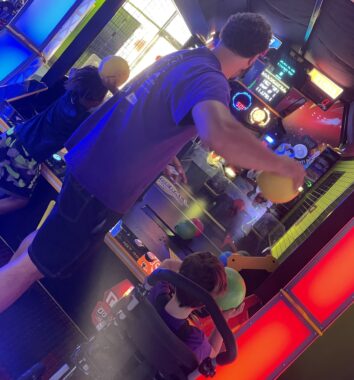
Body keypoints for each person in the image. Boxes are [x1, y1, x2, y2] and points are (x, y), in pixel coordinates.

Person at [0, 12, 305, 313]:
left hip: (88, 165)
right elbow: (219, 134)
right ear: (257, 57)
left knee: (39, 251)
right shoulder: (211, 80)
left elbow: (146, 112)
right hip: (102, 186)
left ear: (224, 31)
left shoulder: (185, 57)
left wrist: (165, 152)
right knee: (33, 266)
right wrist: (281, 164)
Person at [0, 65, 110, 215]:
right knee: (20, 200)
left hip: (13, 135)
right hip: (27, 157)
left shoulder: (69, 94)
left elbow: (73, 72)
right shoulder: (80, 119)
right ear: (97, 101)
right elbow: (74, 146)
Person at [148, 252, 243, 363]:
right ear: (203, 304)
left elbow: (168, 264)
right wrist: (224, 317)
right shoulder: (195, 341)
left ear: (178, 275)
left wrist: (191, 270)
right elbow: (214, 351)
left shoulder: (155, 288)